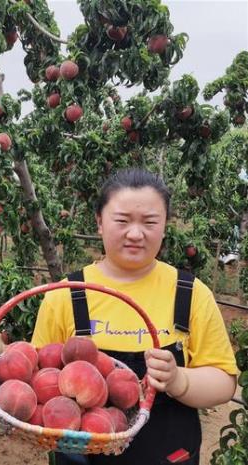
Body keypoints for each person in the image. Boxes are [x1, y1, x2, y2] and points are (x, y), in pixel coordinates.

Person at [31, 168, 237, 465]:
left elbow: (223, 382)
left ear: (165, 226)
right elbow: (40, 378)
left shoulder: (190, 293)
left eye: (150, 222)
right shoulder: (67, 294)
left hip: (166, 453)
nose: (136, 233)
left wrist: (179, 380)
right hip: (84, 455)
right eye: (122, 220)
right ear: (100, 222)